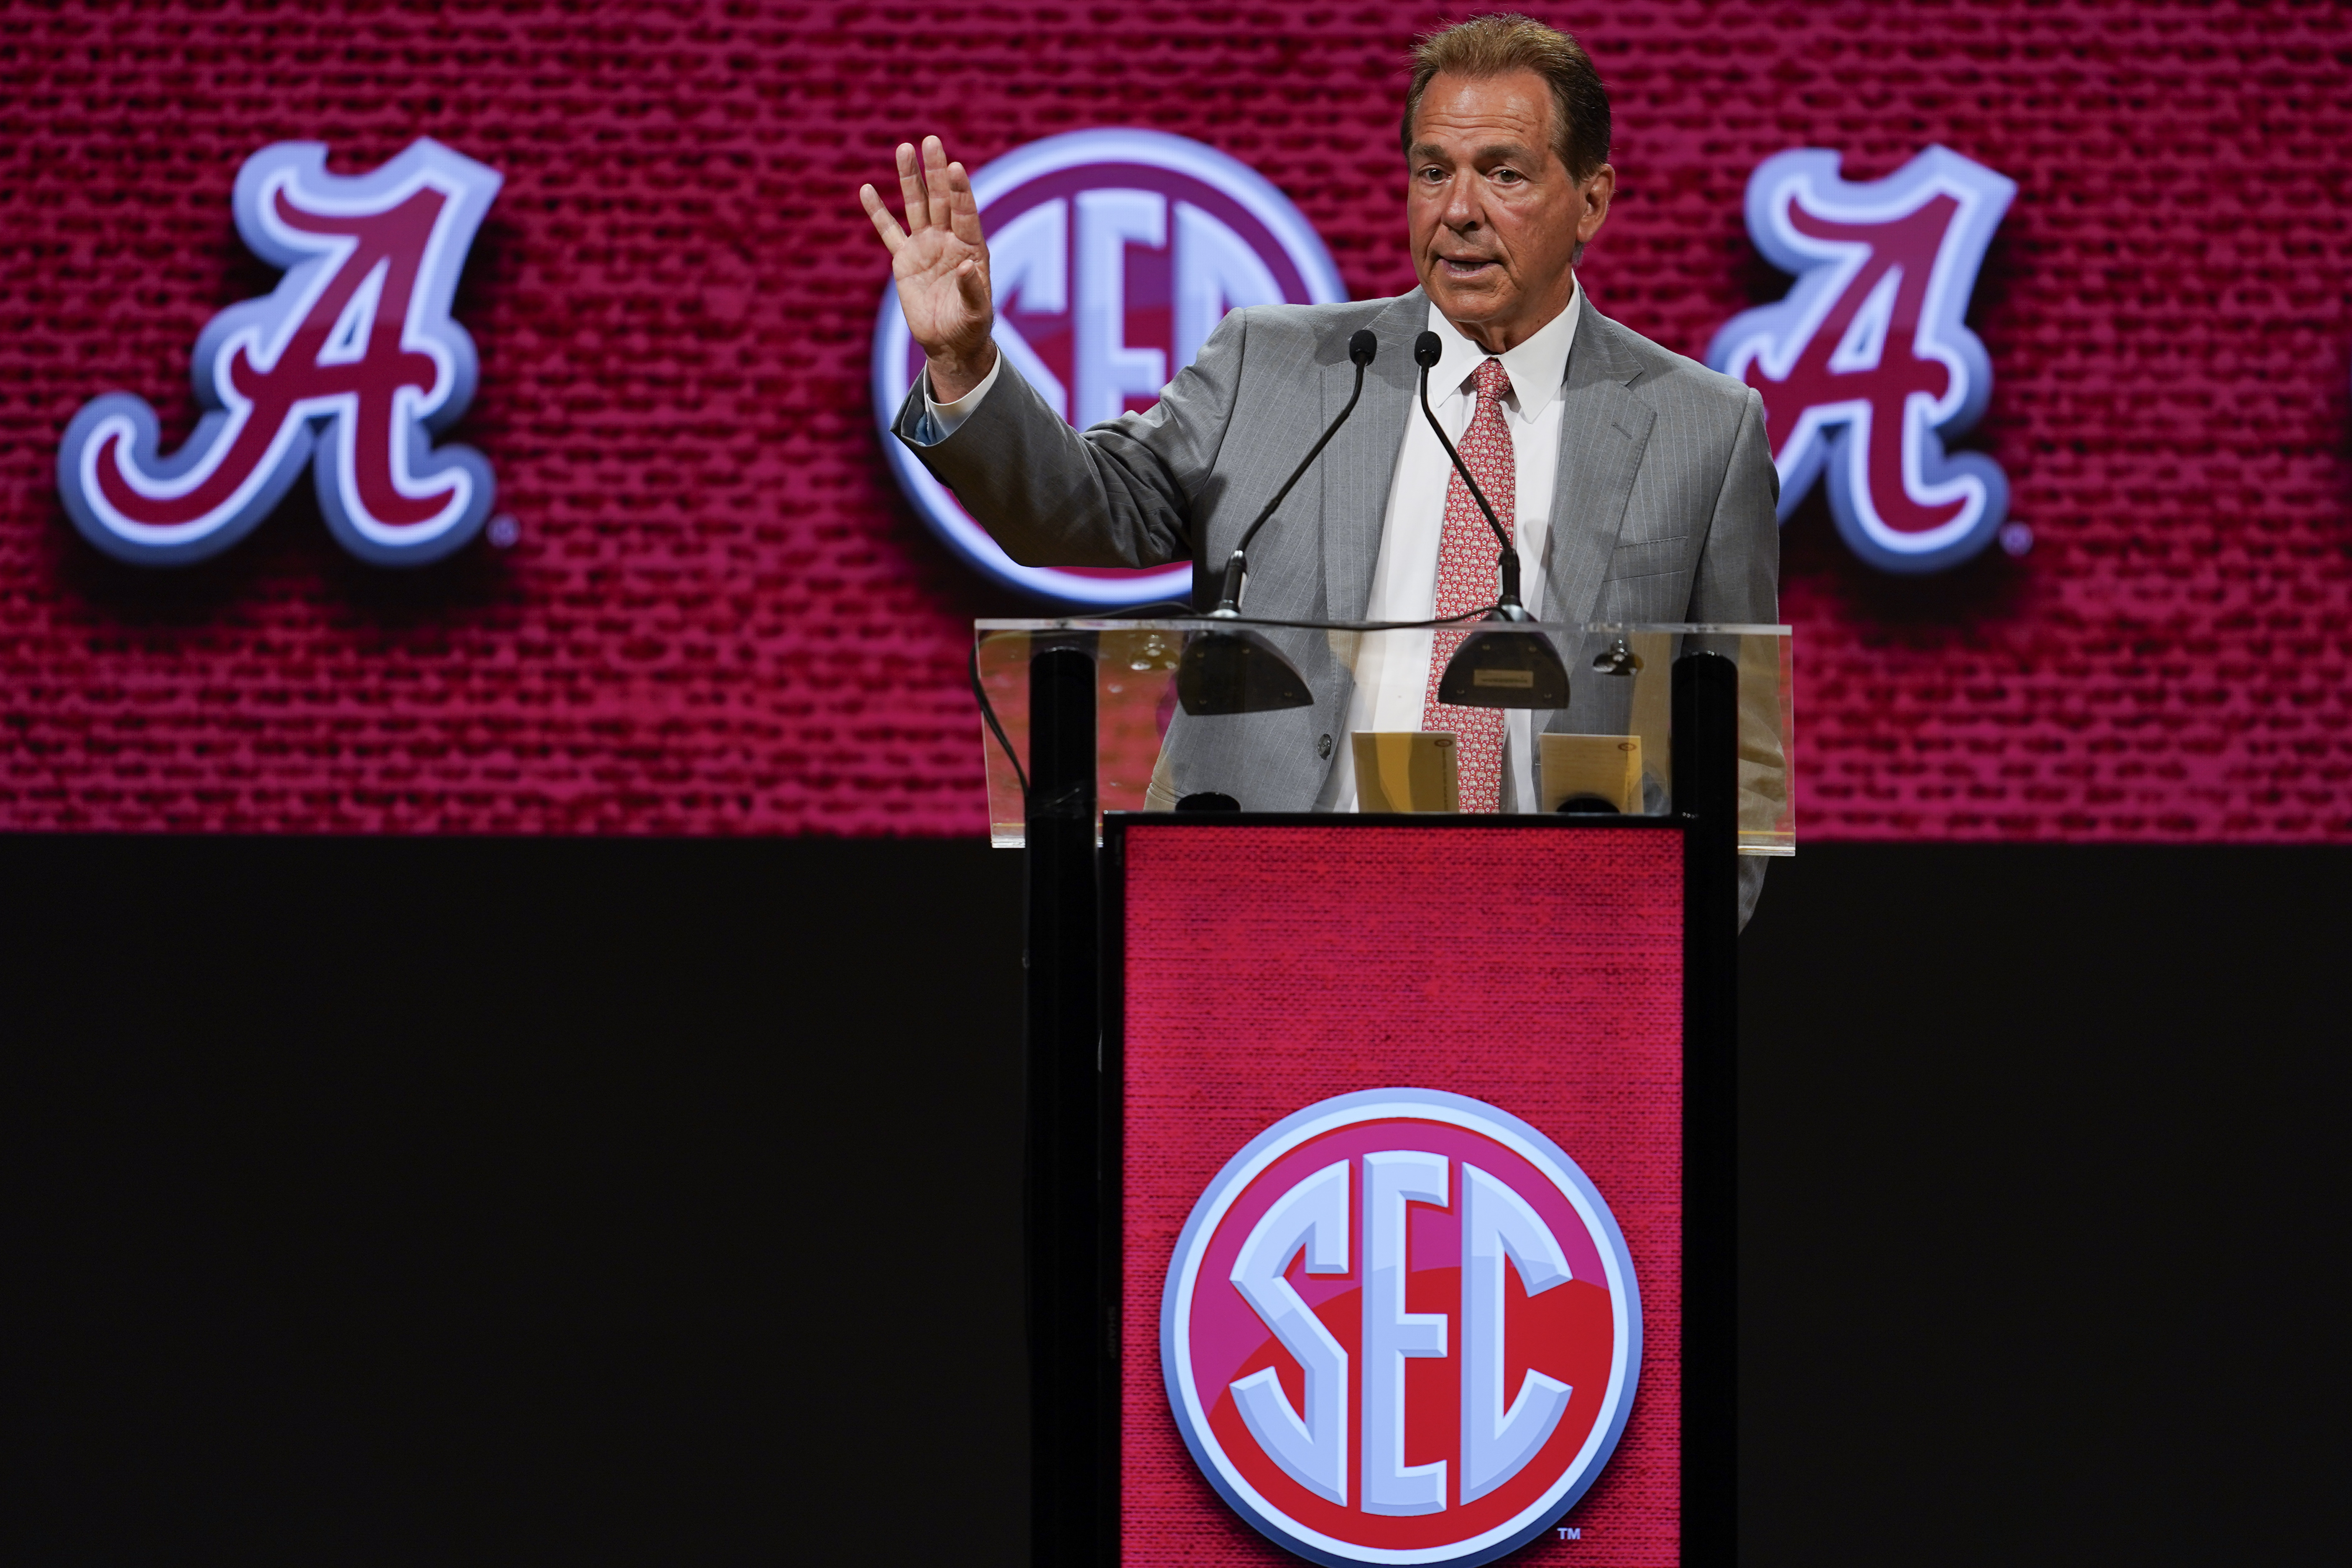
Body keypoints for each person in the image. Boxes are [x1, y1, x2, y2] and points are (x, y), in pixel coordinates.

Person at [861, 14, 1778, 923]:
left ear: (1590, 199)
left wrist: (1667, 962)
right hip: (1261, 923)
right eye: (1432, 172)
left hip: (1554, 944)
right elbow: (1076, 512)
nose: (1458, 210)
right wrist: (964, 365)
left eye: (1502, 173)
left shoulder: (1701, 428)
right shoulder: (1273, 366)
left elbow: (1740, 751)